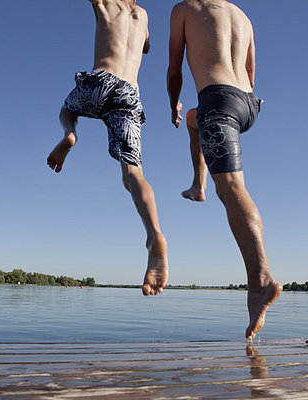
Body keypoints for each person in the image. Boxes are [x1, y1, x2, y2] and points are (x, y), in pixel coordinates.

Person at [167, 0, 282, 339]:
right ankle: (198, 185)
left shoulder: (184, 9)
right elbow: (251, 69)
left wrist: (172, 99)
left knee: (232, 188)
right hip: (248, 103)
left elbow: (174, 70)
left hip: (218, 100)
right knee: (194, 119)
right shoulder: (242, 16)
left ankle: (260, 282)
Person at [47, 0, 168, 296]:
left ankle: (70, 134)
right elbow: (147, 47)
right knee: (133, 174)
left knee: (67, 110)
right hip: (129, 93)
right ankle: (154, 235)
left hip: (100, 81)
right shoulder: (144, 15)